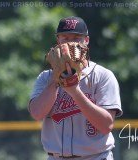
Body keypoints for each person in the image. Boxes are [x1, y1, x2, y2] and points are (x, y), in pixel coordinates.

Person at [28, 16, 123, 160]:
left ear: (86, 41)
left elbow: (106, 125)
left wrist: (74, 91)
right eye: (65, 38)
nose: (70, 43)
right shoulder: (46, 78)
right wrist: (56, 79)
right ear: (58, 41)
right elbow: (36, 114)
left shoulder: (102, 76)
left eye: (76, 38)